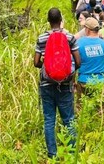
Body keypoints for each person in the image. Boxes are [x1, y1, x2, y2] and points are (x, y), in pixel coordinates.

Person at [34, 8, 81, 160]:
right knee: (69, 119)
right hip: (65, 84)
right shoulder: (69, 37)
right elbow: (78, 61)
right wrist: (69, 72)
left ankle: (52, 155)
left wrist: (47, 62)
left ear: (48, 21)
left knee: (49, 120)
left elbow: (36, 63)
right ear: (61, 19)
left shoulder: (41, 38)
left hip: (46, 84)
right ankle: (72, 153)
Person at [76, 17, 104, 96]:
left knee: (82, 107)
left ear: (87, 29)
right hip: (100, 81)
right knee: (98, 107)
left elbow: (75, 63)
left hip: (84, 80)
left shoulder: (79, 43)